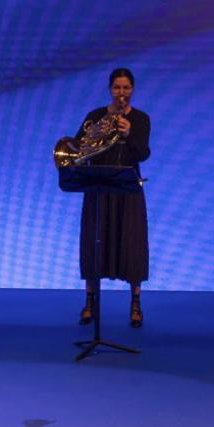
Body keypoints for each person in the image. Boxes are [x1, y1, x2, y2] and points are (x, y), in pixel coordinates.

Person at [75, 68, 151, 328]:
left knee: (132, 243)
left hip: (128, 189)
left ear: (133, 90)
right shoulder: (95, 116)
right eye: (117, 88)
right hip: (99, 187)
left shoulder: (140, 119)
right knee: (94, 243)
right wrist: (96, 136)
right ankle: (90, 301)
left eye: (126, 88)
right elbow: (77, 149)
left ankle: (135, 303)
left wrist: (129, 134)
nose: (122, 93)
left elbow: (143, 154)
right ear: (110, 89)